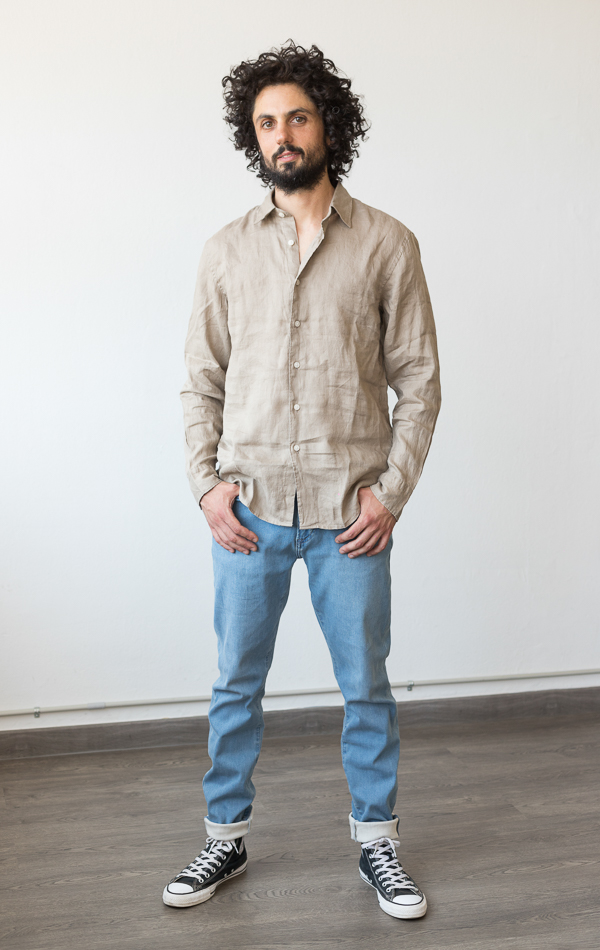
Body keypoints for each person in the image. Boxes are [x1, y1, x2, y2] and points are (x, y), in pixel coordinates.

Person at [163, 41, 441, 920]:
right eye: (265, 123)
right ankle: (225, 836)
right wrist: (205, 485)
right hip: (246, 511)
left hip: (348, 512)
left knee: (366, 686)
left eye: (297, 117)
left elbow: (420, 380)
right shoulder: (224, 251)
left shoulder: (388, 243)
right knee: (234, 683)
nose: (281, 135)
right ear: (253, 137)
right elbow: (200, 380)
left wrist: (390, 493)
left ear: (329, 124)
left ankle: (377, 842)